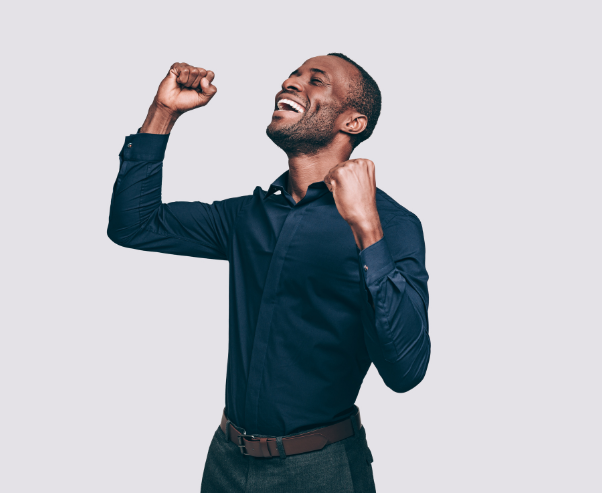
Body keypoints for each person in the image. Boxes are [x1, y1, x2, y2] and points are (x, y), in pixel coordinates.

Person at [107, 53, 431, 493]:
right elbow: (134, 225)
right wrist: (162, 113)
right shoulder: (248, 217)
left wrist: (365, 228)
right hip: (226, 461)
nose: (291, 82)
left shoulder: (390, 225)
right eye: (294, 74)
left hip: (322, 472)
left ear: (353, 123)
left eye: (315, 80)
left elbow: (406, 370)